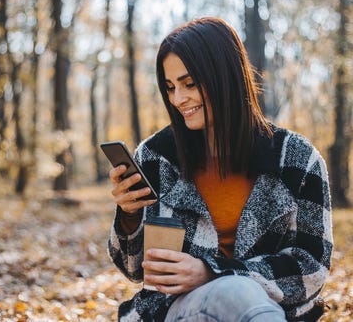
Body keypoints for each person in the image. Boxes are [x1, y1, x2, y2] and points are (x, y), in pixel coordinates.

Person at [108, 17, 333, 322]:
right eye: (170, 87)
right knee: (233, 293)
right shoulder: (156, 156)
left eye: (189, 83)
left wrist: (213, 273)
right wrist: (129, 215)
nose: (178, 99)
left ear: (225, 77)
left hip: (272, 309)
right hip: (178, 311)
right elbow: (135, 270)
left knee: (238, 293)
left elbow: (311, 268)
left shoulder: (297, 159)